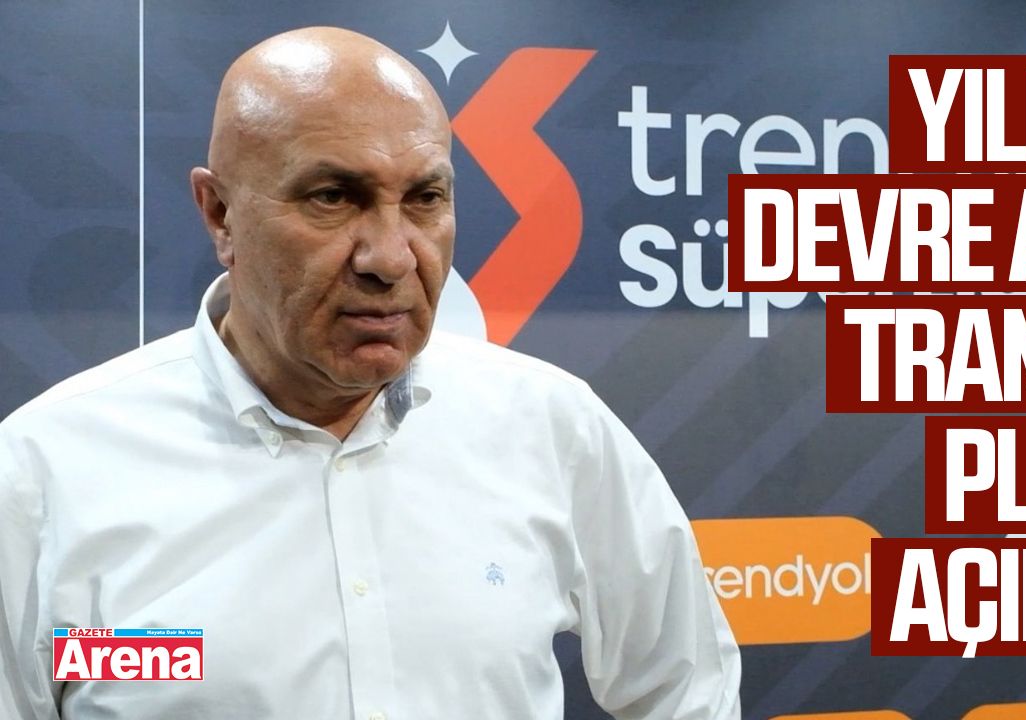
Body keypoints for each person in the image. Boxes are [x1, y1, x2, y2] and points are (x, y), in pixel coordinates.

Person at [0, 27, 741, 719]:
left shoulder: (550, 426)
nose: (390, 257)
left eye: (425, 199)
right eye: (332, 197)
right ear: (221, 213)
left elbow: (688, 688)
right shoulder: (43, 471)